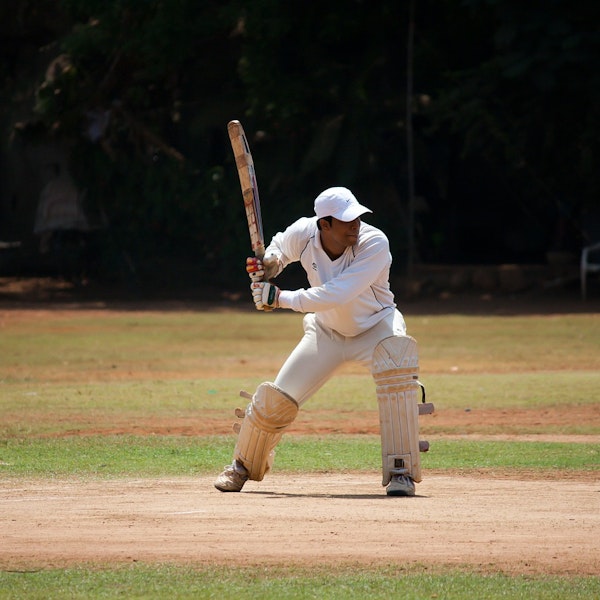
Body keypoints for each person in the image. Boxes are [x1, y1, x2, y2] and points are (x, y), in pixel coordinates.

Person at [214, 186, 427, 496]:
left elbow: (337, 293)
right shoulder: (304, 231)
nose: (355, 225)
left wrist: (279, 298)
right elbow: (279, 247)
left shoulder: (374, 242)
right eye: (346, 220)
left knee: (397, 363)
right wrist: (271, 262)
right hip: (327, 332)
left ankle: (401, 471)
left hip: (376, 326)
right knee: (277, 396)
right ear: (324, 224)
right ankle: (241, 466)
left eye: (356, 217)